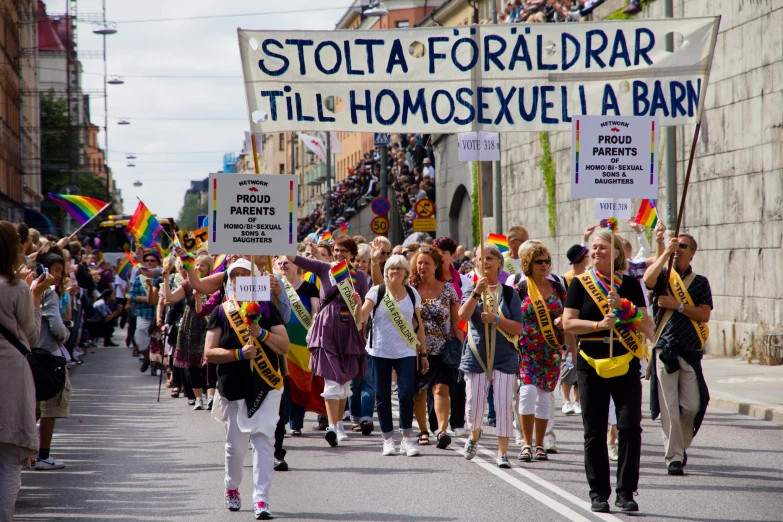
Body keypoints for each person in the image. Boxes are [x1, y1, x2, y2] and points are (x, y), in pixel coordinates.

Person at [563, 230, 652, 513]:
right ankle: (598, 492)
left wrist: (623, 308)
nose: (597, 252)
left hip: (625, 361)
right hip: (591, 362)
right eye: (594, 248)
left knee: (629, 427)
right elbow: (567, 323)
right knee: (594, 429)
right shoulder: (580, 283)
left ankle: (626, 492)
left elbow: (645, 324)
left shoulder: (629, 284)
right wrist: (598, 326)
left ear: (616, 253)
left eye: (603, 247)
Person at [204, 259, 289, 519]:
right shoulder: (221, 311)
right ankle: (232, 487)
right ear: (230, 281)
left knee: (264, 440)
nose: (240, 279)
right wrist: (239, 353)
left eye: (246, 274)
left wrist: (261, 334)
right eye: (235, 276)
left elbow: (284, 346)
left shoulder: (268, 310)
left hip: (266, 386)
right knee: (236, 446)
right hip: (233, 386)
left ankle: (261, 499)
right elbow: (209, 352)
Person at [285, 236, 368, 446]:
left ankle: (339, 424)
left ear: (352, 254)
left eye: (344, 251)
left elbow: (362, 316)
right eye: (337, 250)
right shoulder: (325, 269)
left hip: (349, 330)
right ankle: (332, 426)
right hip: (327, 328)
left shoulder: (360, 277)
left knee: (344, 380)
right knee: (332, 379)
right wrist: (283, 237)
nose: (339, 254)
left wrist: (358, 304)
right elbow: (294, 258)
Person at [643, 234, 712, 476]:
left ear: (692, 252)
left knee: (692, 406)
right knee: (669, 408)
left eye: (683, 246)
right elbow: (647, 279)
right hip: (665, 348)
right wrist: (664, 253)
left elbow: (704, 315)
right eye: (676, 245)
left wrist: (678, 305)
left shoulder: (700, 282)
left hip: (690, 350)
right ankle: (673, 457)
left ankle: (680, 446)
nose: (678, 249)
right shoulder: (664, 275)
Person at [0, 221, 51, 520]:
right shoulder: (16, 287)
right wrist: (34, 297)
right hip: (11, 374)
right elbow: (30, 337)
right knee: (8, 462)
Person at [352, 255, 427, 456]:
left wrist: (424, 353)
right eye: (391, 268)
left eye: (399, 268)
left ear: (405, 272)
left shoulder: (412, 293)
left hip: (406, 351)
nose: (395, 271)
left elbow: (418, 325)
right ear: (386, 272)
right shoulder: (377, 292)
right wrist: (358, 304)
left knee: (405, 393)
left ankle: (406, 439)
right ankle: (387, 439)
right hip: (380, 350)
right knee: (383, 395)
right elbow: (361, 319)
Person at [459, 245, 524, 468]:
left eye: (488, 258)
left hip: (504, 358)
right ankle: (474, 435)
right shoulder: (472, 288)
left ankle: (502, 453)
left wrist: (496, 319)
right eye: (479, 258)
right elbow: (463, 316)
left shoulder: (509, 292)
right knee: (474, 405)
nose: (484, 262)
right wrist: (477, 292)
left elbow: (517, 328)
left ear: (498, 262)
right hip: (477, 356)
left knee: (504, 405)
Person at [514, 242, 572, 462]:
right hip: (527, 352)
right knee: (527, 394)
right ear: (529, 263)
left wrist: (564, 327)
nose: (544, 265)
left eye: (547, 261)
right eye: (539, 261)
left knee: (545, 398)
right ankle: (526, 443)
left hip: (551, 350)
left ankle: (540, 444)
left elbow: (569, 315)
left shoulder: (558, 287)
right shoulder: (520, 288)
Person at [409, 246, 463, 449]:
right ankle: (423, 431)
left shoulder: (448, 289)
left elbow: (456, 321)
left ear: (436, 266)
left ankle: (441, 431)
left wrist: (461, 347)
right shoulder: (410, 288)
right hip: (414, 350)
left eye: (426, 263)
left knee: (441, 389)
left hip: (442, 351)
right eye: (419, 263)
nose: (422, 267)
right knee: (419, 392)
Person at [33, 252, 71, 470]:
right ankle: (43, 455)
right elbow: (56, 326)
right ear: (45, 270)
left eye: (61, 270)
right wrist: (66, 334)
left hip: (31, 354)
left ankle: (27, 453)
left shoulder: (31, 288)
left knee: (34, 407)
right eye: (56, 270)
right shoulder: (49, 293)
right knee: (49, 408)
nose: (59, 275)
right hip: (48, 357)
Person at [164, 254, 212, 410]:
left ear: (210, 267)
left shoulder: (216, 283)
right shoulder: (187, 285)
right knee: (192, 364)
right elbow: (169, 299)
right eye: (196, 265)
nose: (198, 268)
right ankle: (198, 398)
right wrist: (165, 279)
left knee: (209, 362)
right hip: (191, 325)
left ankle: (211, 396)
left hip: (210, 324)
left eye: (202, 265)